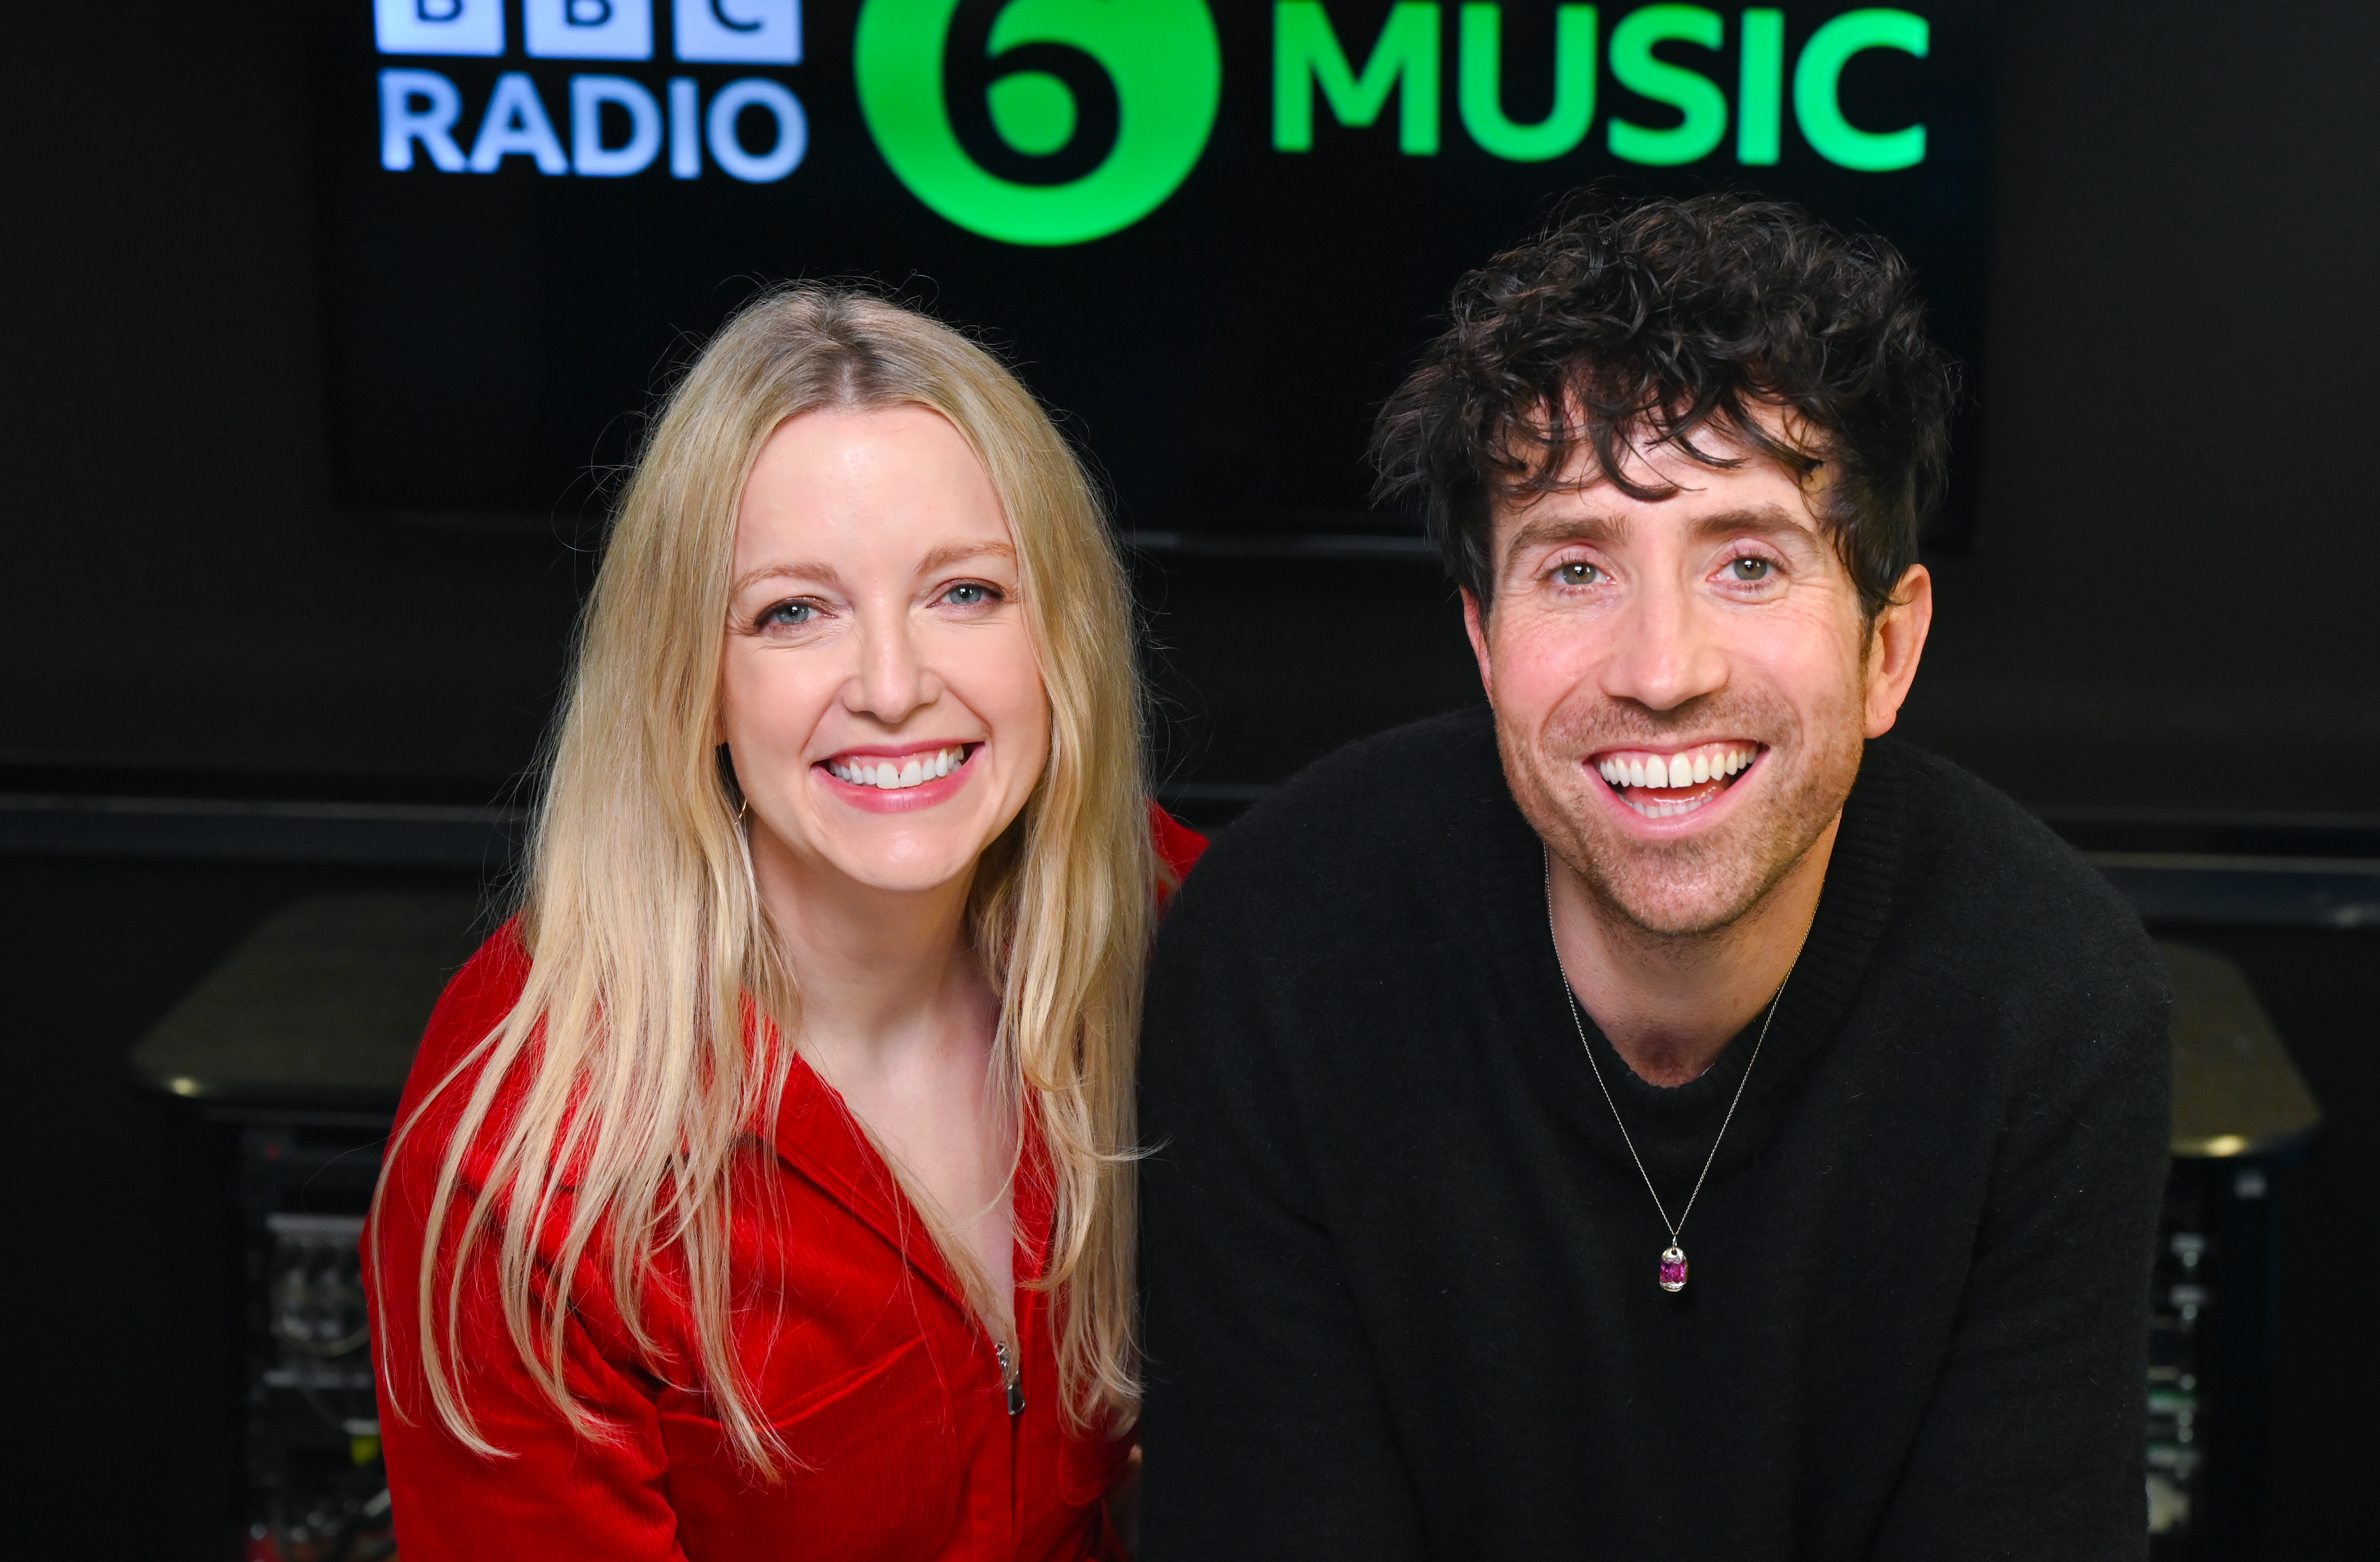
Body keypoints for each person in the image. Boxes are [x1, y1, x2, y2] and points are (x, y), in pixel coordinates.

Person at [1138, 195, 2173, 1560]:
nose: (1662, 668)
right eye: (1576, 568)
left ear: (1888, 651)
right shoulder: (1276, 955)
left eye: (1748, 562)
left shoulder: (2051, 1003)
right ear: (1486, 642)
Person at [366, 288, 1203, 1562]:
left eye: (966, 592)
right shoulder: (530, 1146)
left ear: (1064, 644)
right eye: (793, 613)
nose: (892, 685)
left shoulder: (1183, 930)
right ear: (689, 681)